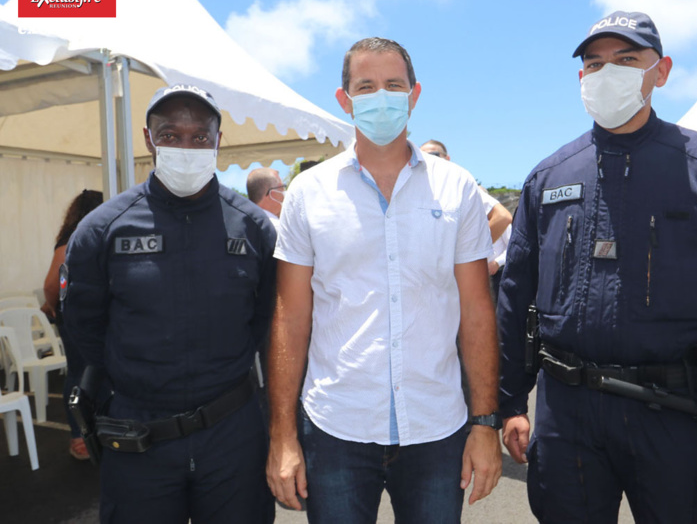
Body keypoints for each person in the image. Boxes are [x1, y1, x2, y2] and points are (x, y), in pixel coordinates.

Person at [498, 11, 697, 523]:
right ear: (580, 79)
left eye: (626, 59)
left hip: (675, 416)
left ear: (661, 71)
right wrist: (507, 404)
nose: (606, 73)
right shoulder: (547, 179)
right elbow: (513, 300)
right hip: (566, 420)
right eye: (594, 64)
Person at [266, 37, 502, 523]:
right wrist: (283, 435)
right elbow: (290, 320)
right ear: (344, 98)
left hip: (437, 429)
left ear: (414, 95)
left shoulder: (456, 187)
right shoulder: (309, 192)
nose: (381, 96)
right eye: (366, 86)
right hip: (335, 428)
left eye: (393, 85)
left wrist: (484, 424)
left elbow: (477, 312)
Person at [62, 84, 277, 523]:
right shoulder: (102, 228)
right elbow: (83, 326)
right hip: (138, 437)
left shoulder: (255, 227)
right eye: (170, 134)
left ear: (218, 142)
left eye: (199, 136)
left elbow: (265, 322)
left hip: (232, 432)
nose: (186, 146)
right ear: (147, 139)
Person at [41, 188, 103, 460]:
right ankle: (80, 435)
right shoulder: (77, 237)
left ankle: (87, 433)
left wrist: (53, 305)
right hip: (82, 318)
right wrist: (54, 305)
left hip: (89, 316)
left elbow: (52, 286)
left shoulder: (84, 235)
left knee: (87, 373)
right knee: (82, 373)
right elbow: (54, 283)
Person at [420, 139, 513, 294]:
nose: (429, 160)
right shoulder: (418, 191)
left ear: (447, 158)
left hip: (469, 279)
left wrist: (466, 254)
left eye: (434, 155)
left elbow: (502, 216)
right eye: (423, 156)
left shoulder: (457, 187)